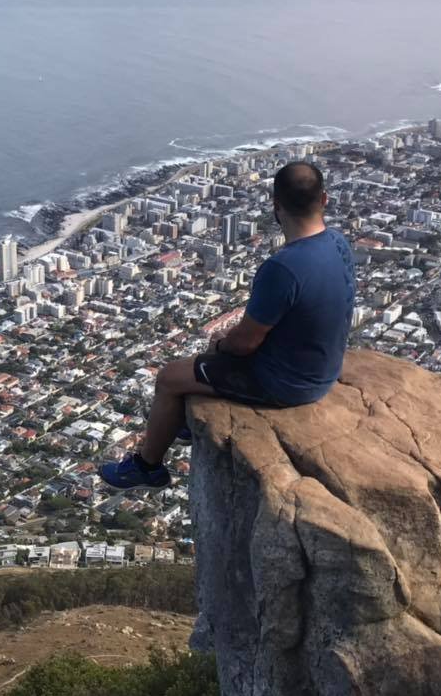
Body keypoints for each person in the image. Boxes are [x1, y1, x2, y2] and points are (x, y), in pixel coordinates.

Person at [100, 160, 355, 491]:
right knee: (212, 354)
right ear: (324, 200)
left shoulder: (284, 268)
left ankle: (147, 467)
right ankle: (182, 421)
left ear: (276, 205)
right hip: (324, 367)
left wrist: (220, 343)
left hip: (287, 384)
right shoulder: (338, 243)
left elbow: (244, 343)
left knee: (169, 378)